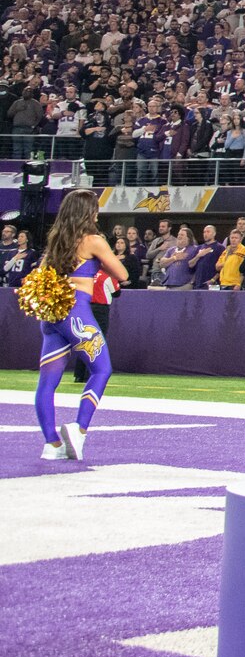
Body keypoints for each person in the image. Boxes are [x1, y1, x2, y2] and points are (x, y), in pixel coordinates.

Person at [32, 190, 125, 462]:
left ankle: (51, 443)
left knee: (47, 382)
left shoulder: (55, 241)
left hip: (52, 317)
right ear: (88, 213)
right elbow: (122, 274)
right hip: (77, 314)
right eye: (95, 209)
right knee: (102, 369)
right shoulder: (93, 240)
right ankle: (80, 428)